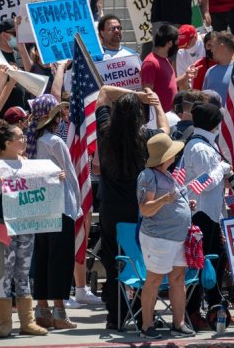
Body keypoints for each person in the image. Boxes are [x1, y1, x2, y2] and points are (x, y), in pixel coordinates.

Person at [93, 85, 168, 329]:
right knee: (141, 263)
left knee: (114, 262)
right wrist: (154, 102)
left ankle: (115, 316)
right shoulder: (145, 139)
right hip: (139, 211)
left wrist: (136, 96)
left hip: (110, 210)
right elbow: (165, 132)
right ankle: (140, 311)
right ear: (138, 117)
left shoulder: (104, 133)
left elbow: (103, 91)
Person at [25, 95, 82, 329]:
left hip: (40, 208)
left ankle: (43, 310)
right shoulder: (55, 142)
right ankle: (59, 312)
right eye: (59, 114)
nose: (62, 118)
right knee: (59, 259)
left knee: (42, 257)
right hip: (60, 207)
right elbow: (69, 173)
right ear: (53, 117)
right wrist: (77, 206)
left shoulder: (32, 141)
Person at [0, 121, 47, 338]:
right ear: (8, 143)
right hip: (3, 227)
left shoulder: (26, 162)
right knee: (5, 273)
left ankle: (27, 322)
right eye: (20, 137)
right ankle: (4, 323)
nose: (24, 139)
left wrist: (53, 180)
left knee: (23, 272)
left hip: (25, 224)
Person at [136, 134, 195, 339]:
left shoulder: (167, 175)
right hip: (159, 237)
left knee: (178, 279)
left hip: (176, 237)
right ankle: (147, 326)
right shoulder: (147, 176)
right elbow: (145, 209)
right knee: (153, 280)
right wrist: (164, 200)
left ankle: (178, 323)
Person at [182, 102, 230, 328]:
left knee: (216, 261)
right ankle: (193, 312)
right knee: (199, 264)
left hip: (210, 214)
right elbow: (203, 184)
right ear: (214, 124)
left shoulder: (203, 144)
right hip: (200, 214)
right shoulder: (199, 148)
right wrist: (222, 168)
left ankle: (215, 307)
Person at [142, 24, 196, 111]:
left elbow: (169, 84)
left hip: (171, 115)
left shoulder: (164, 59)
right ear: (170, 43)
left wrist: (186, 76)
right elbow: (147, 94)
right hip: (161, 117)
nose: (178, 47)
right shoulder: (150, 63)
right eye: (177, 43)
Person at [203, 32, 234, 104]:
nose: (211, 50)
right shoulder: (210, 71)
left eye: (213, 46)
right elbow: (204, 100)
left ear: (221, 46)